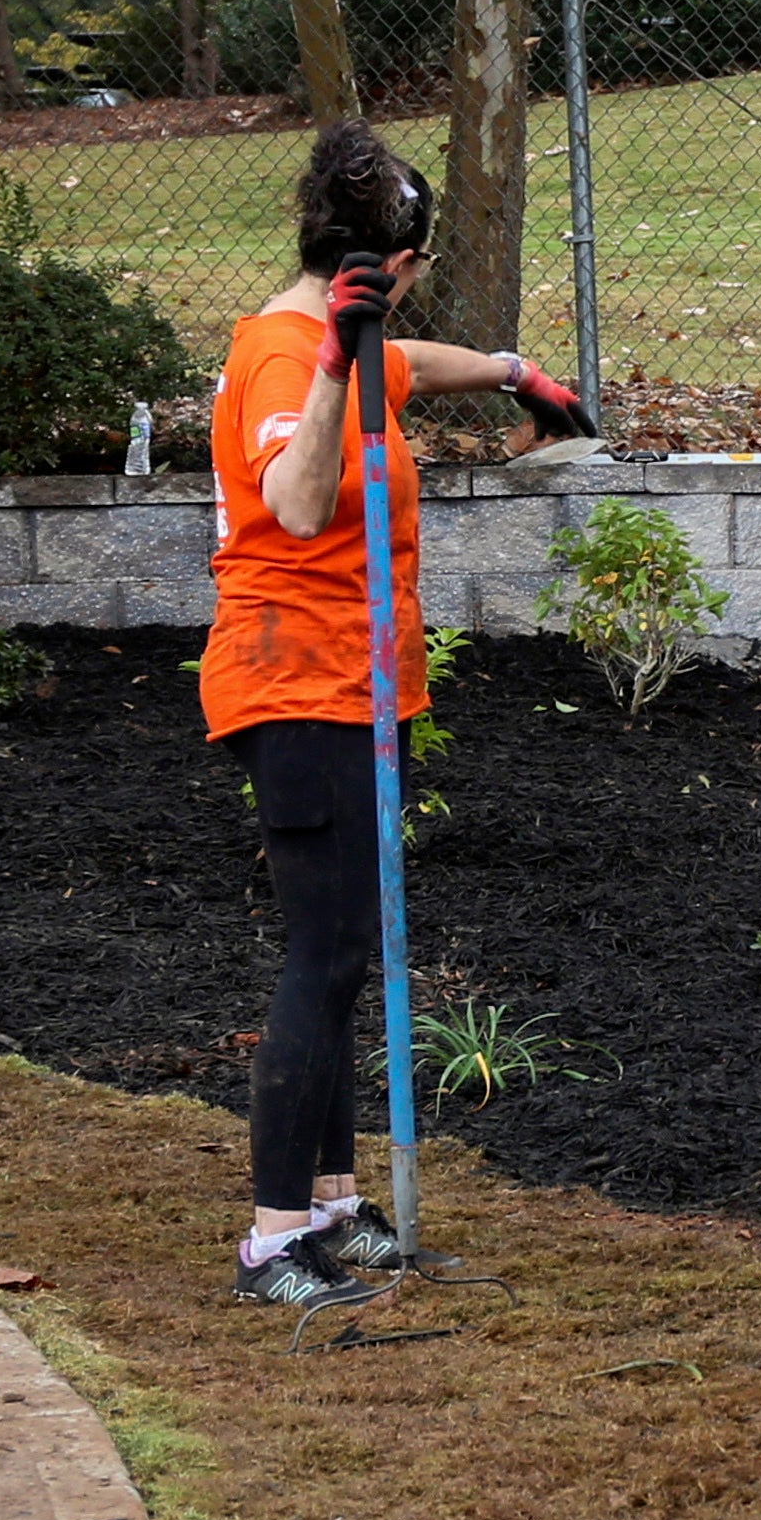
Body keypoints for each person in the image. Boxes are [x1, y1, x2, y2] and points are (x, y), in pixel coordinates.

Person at [201, 123, 594, 1309]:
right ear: (401, 261)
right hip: (297, 681)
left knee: (344, 954)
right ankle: (273, 1239)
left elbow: (408, 363)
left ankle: (328, 1202)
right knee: (321, 961)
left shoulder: (353, 340)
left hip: (355, 683)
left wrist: (518, 374)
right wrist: (333, 363)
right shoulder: (289, 362)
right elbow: (300, 500)